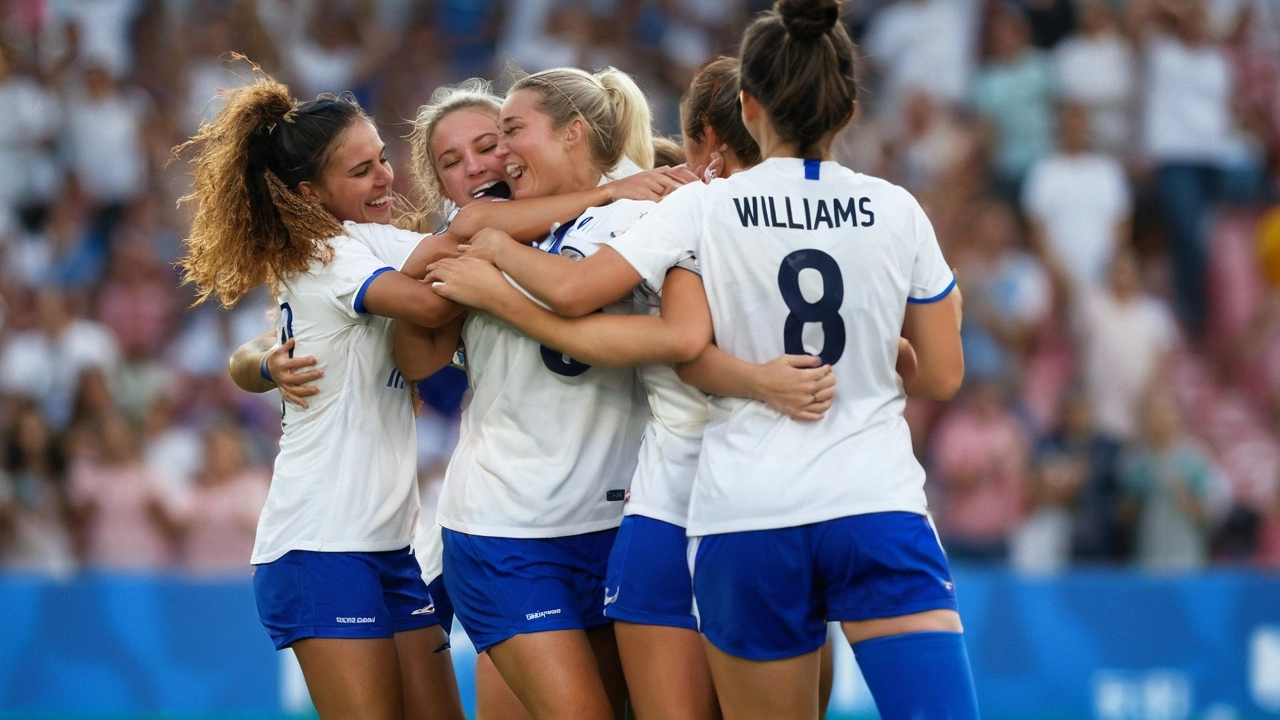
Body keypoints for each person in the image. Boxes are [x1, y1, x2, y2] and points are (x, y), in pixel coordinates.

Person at [433, 3, 979, 718]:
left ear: (749, 108)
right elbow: (940, 374)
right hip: (873, 501)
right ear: (847, 107)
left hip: (742, 510)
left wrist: (497, 252)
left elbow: (595, 304)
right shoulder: (897, 208)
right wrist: (874, 349)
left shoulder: (702, 208)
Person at [427, 57, 838, 720]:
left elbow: (670, 339)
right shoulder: (525, 216)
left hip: (653, 514)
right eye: (459, 156)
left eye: (506, 132)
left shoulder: (666, 207)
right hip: (532, 521)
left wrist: (501, 284)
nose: (493, 156)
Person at [174, 73, 466, 720]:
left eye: (383, 158)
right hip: (322, 543)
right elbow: (428, 296)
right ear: (311, 194)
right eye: (362, 171)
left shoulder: (364, 244)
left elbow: (249, 355)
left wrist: (259, 366)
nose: (386, 177)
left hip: (387, 546)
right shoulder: (327, 255)